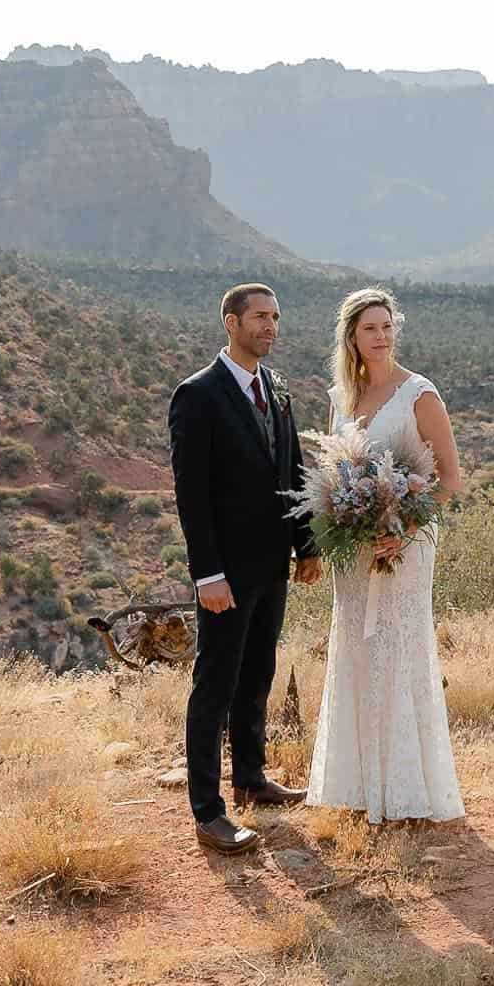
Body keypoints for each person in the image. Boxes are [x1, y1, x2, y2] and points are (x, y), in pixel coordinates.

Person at [168, 284, 325, 853]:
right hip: (226, 574)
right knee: (215, 683)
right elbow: (192, 494)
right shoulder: (198, 395)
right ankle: (208, 812)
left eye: (276, 317)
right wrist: (206, 574)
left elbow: (294, 470)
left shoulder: (276, 390)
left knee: (258, 672)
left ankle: (252, 779)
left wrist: (306, 546)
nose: (271, 326)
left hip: (273, 565)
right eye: (261, 317)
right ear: (231, 322)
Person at [306, 288, 468, 823]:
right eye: (370, 328)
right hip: (354, 550)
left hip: (406, 544)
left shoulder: (420, 394)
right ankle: (357, 785)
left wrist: (404, 527)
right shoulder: (340, 398)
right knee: (356, 647)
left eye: (387, 326)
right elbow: (334, 473)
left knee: (398, 650)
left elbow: (449, 479)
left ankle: (407, 789)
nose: (381, 336)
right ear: (351, 336)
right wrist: (345, 520)